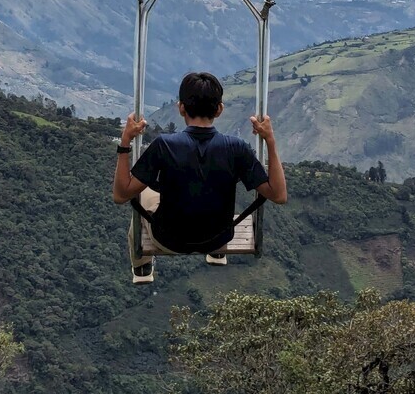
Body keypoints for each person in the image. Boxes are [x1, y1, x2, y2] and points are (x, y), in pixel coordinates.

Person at [112, 71, 287, 283]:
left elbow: (121, 195)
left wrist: (125, 142)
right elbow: (278, 195)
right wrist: (270, 140)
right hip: (219, 238)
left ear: (181, 108)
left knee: (143, 193)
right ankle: (216, 252)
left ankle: (141, 267)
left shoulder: (165, 145)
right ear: (219, 109)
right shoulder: (236, 148)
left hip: (170, 240)